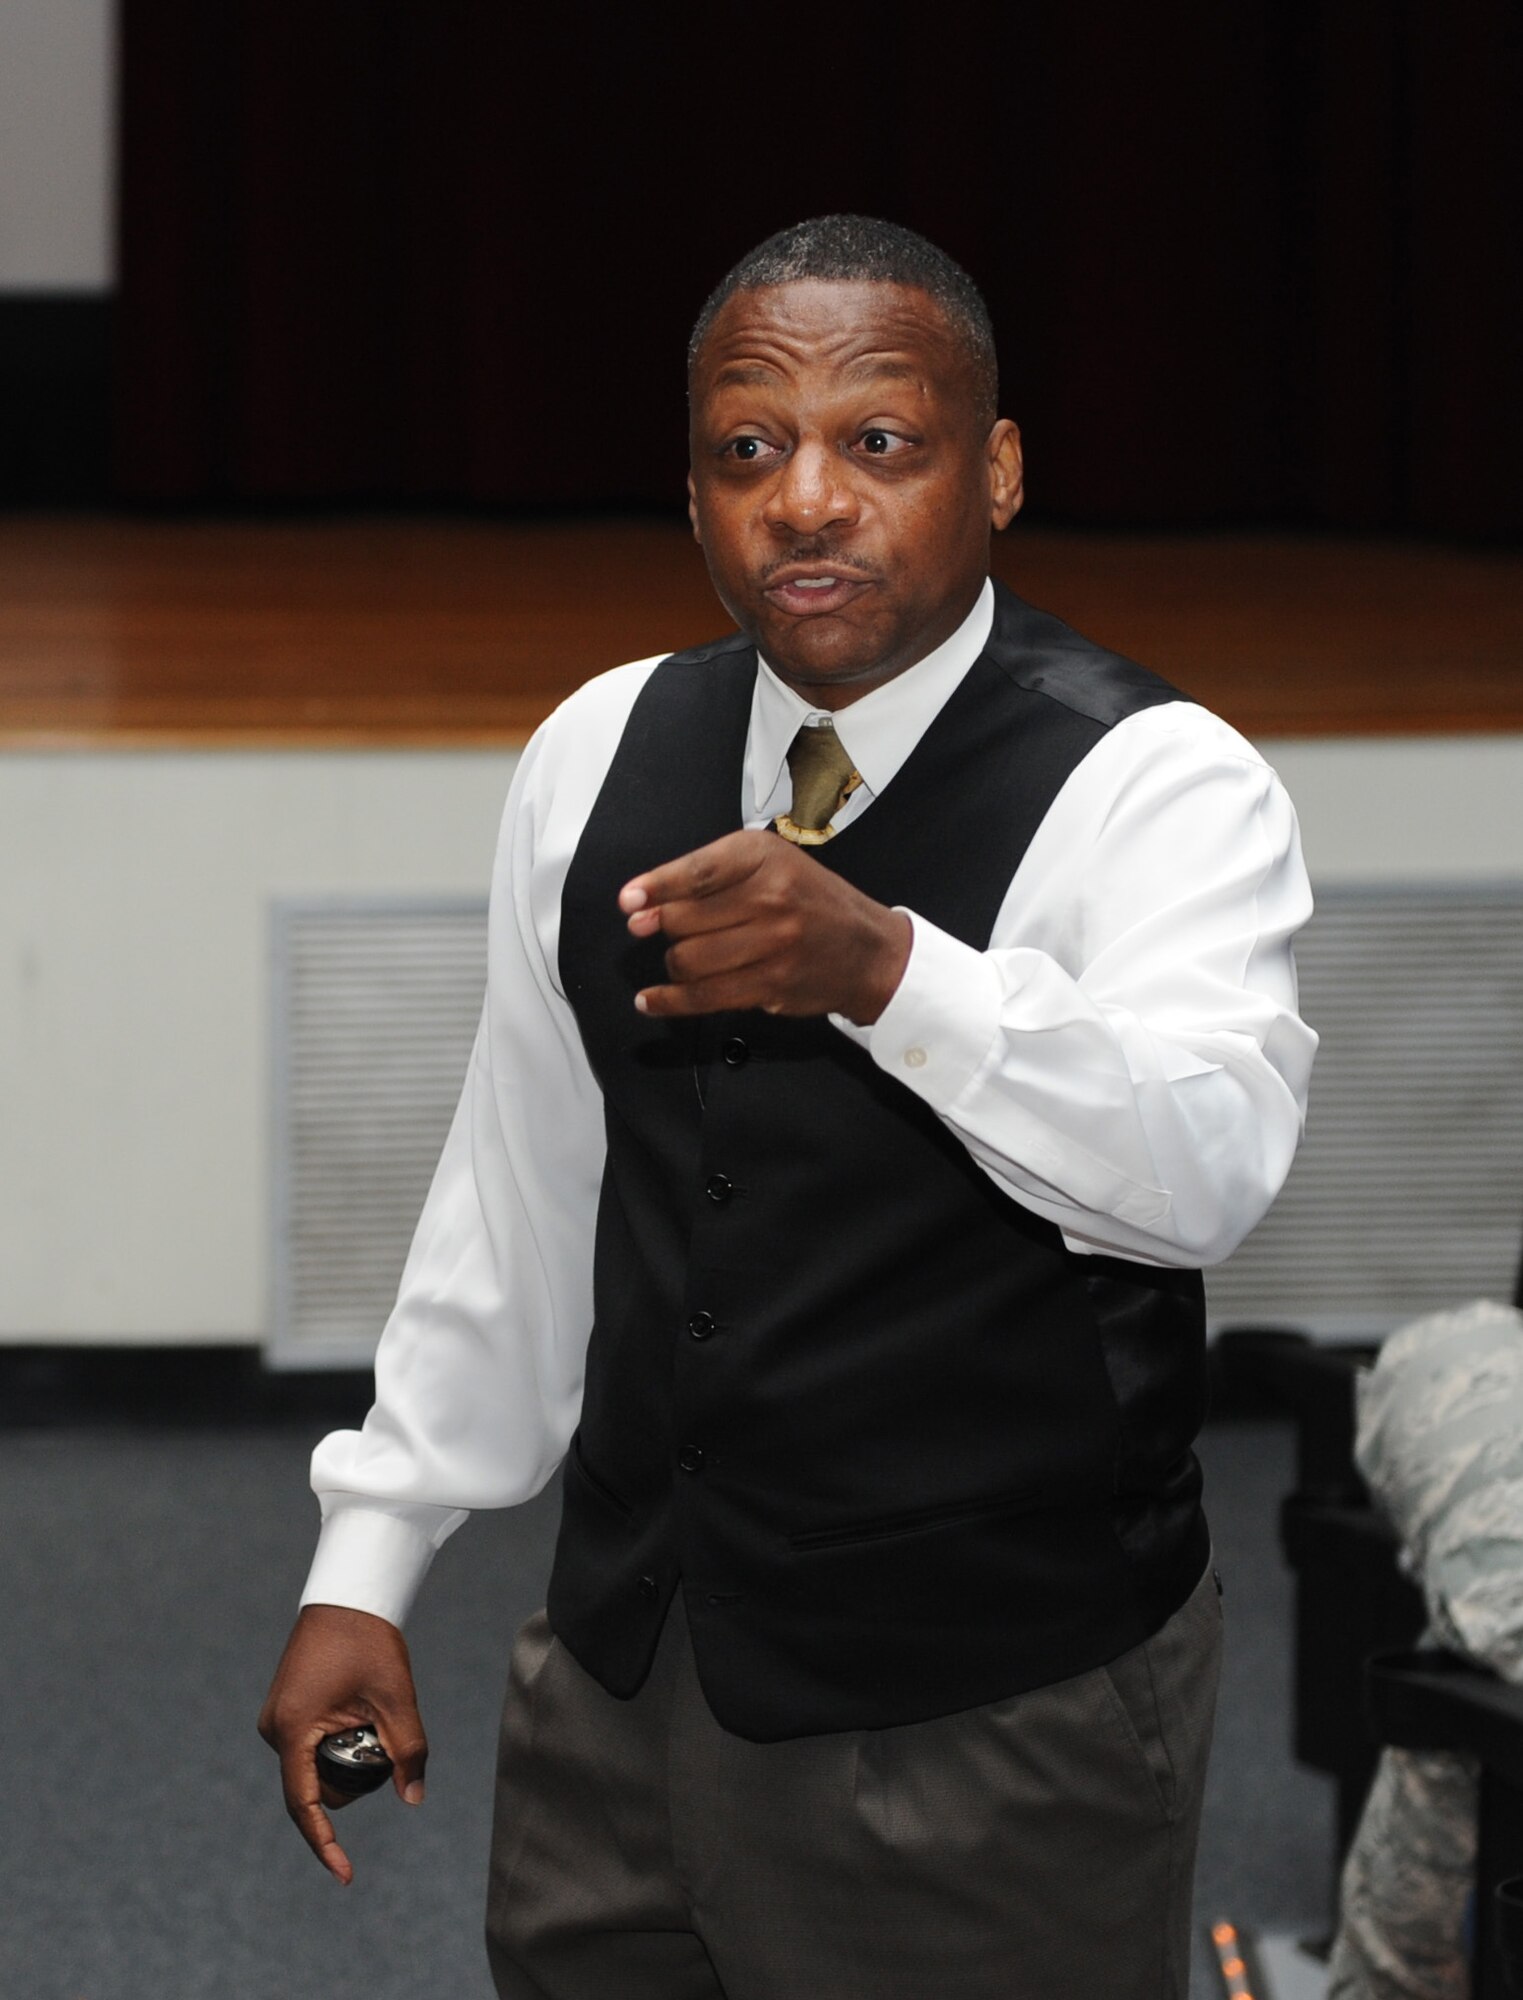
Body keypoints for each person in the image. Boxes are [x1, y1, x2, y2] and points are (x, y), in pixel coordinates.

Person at [259, 215, 1317, 1999]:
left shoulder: (1156, 785)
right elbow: (521, 1190)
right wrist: (369, 1558)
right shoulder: (598, 748)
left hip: (997, 1723)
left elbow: (1207, 1174)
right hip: (617, 1684)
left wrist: (896, 976)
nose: (808, 500)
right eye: (751, 450)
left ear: (997, 471)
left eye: (878, 443)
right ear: (692, 498)